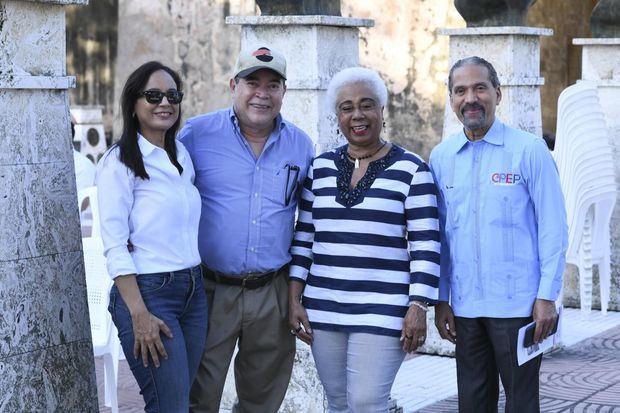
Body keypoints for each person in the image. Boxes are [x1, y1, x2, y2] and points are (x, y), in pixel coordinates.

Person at [288, 67, 441, 413]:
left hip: (383, 310)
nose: (357, 114)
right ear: (337, 117)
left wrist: (418, 307)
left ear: (382, 111)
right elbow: (304, 237)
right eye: (346, 107)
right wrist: (294, 298)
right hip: (324, 307)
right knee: (339, 403)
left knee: (368, 402)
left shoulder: (413, 170)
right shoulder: (320, 168)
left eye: (366, 105)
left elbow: (426, 245)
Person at [179, 45, 315, 413]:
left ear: (284, 92)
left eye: (273, 85)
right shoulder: (195, 135)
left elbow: (307, 224)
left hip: (271, 291)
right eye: (252, 82)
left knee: (262, 399)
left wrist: (295, 293)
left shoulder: (301, 146)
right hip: (209, 290)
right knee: (198, 397)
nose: (262, 93)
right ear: (233, 85)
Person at [429, 56, 568, 412]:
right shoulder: (442, 157)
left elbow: (553, 226)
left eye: (480, 88)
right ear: (451, 100)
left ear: (498, 93)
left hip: (518, 307)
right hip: (466, 308)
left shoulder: (529, 150)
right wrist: (441, 297)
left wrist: (547, 296)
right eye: (460, 91)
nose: (470, 98)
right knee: (473, 404)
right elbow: (442, 236)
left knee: (521, 404)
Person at [97, 61, 208, 412]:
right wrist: (139, 314)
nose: (165, 103)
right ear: (133, 104)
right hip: (148, 294)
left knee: (177, 402)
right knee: (168, 406)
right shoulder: (119, 163)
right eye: (153, 95)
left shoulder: (181, 156)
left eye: (172, 95)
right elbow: (114, 244)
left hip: (193, 292)